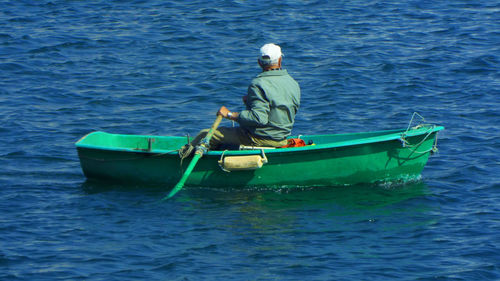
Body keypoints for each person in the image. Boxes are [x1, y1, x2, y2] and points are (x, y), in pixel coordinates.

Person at [181, 43, 300, 156]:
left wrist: (229, 114)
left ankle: (184, 157)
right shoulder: (293, 83)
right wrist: (250, 102)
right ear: (280, 60)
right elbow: (282, 108)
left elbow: (258, 118)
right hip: (281, 139)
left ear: (259, 62)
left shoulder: (258, 84)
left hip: (259, 139)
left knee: (205, 135)